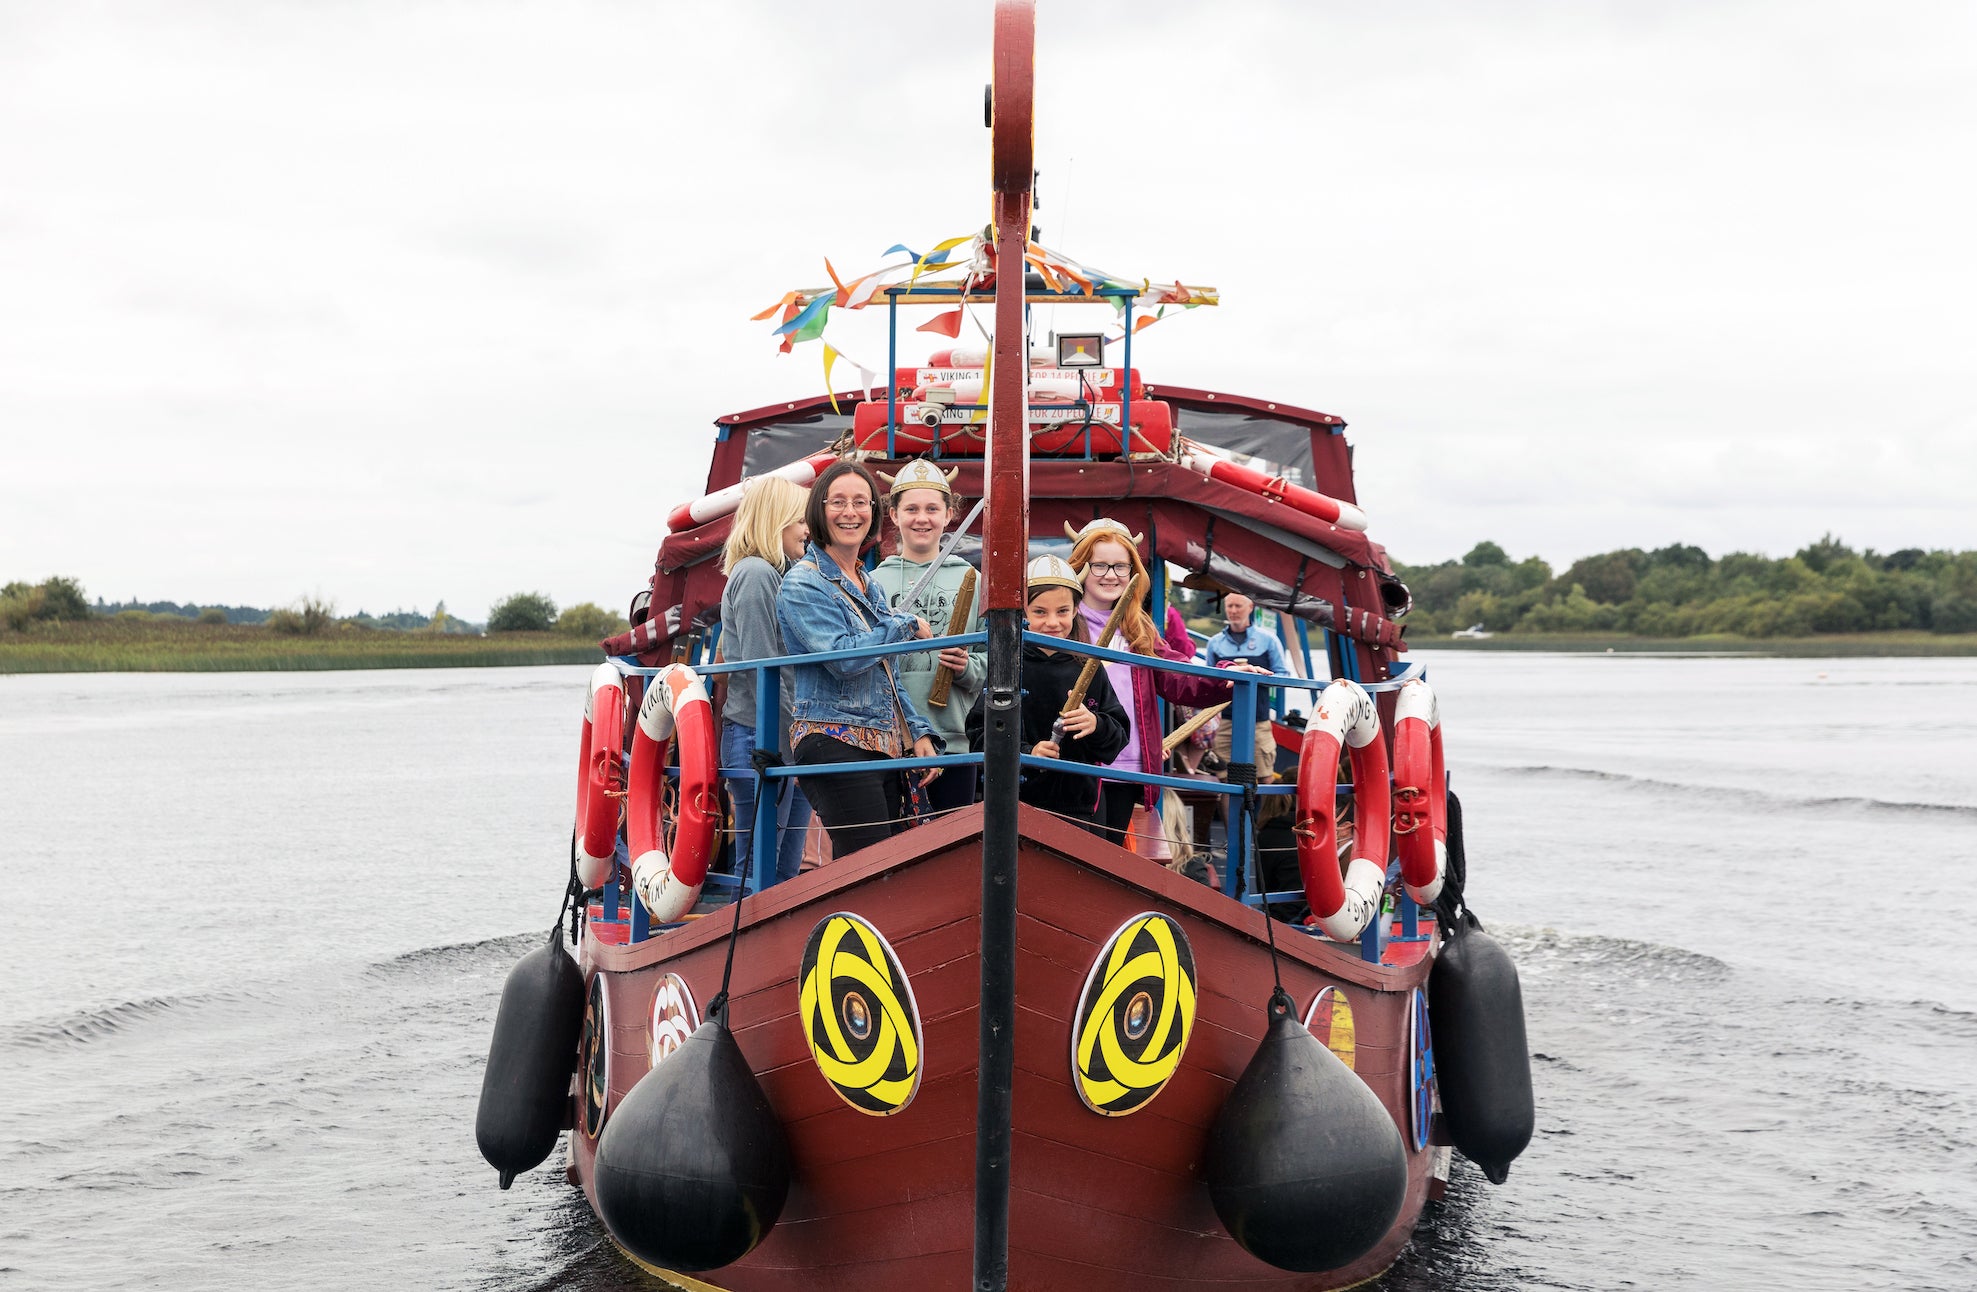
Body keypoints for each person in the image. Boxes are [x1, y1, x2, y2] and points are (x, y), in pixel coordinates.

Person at [777, 460, 941, 859]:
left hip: (883, 743)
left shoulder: (869, 583)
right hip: (832, 738)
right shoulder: (803, 582)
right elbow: (844, 658)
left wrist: (917, 732)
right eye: (838, 502)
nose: (850, 512)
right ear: (819, 509)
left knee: (883, 867)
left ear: (873, 513)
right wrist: (905, 625)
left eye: (860, 502)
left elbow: (887, 671)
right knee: (869, 866)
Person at [1064, 518, 1259, 849]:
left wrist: (1226, 675)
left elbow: (1177, 675)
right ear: (1080, 567)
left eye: (1120, 567)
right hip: (1080, 765)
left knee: (1113, 856)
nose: (1110, 575)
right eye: (1099, 565)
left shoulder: (1138, 628)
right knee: (1081, 856)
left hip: (1130, 765)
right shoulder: (1064, 624)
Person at [966, 554, 1127, 831]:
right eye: (1040, 612)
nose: (1053, 622)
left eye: (1062, 611)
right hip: (1015, 806)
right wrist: (1027, 753)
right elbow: (980, 735)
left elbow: (1117, 738)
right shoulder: (1006, 666)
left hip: (1078, 809)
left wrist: (1096, 724)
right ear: (1024, 612)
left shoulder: (1090, 666)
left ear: (1076, 610)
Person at [716, 475, 816, 881]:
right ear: (776, 521)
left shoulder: (780, 576)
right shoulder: (757, 575)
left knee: (784, 871)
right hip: (762, 736)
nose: (808, 530)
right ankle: (749, 944)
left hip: (781, 733)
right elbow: (764, 666)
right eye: (799, 521)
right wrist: (796, 739)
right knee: (760, 868)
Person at [871, 460, 985, 814]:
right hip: (888, 739)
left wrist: (968, 667)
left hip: (954, 739)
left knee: (948, 853)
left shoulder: (975, 579)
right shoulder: (872, 582)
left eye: (932, 508)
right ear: (893, 514)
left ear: (950, 514)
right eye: (912, 509)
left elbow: (993, 655)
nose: (922, 518)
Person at [1203, 592, 1291, 778]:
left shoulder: (1268, 641)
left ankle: (1262, 808)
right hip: (1225, 719)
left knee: (1265, 775)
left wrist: (1257, 677)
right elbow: (1208, 680)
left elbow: (1284, 675)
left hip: (1258, 719)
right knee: (1224, 777)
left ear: (1250, 608)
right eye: (1230, 606)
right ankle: (1228, 808)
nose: (1233, 611)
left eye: (1238, 606)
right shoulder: (1215, 643)